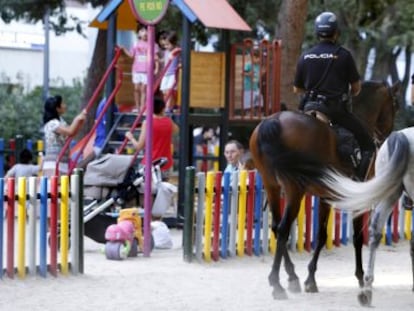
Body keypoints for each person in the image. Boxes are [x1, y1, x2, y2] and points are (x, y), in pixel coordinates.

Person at [293, 11, 375, 180]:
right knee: (368, 144)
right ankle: (358, 182)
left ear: (317, 32)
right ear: (336, 32)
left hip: (309, 108)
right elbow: (356, 88)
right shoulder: (343, 55)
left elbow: (297, 89)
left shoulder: (305, 56)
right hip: (334, 110)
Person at [125, 97, 179, 180]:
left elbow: (139, 146)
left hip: (150, 163)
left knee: (147, 191)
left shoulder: (147, 123)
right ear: (163, 108)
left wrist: (131, 138)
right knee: (162, 191)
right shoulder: (168, 122)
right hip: (166, 164)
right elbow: (176, 130)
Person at [42, 95, 87, 177]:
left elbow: (72, 133)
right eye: (62, 104)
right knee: (55, 187)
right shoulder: (53, 124)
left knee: (61, 186)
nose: (65, 106)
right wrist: (77, 119)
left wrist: (80, 122)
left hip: (62, 161)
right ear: (57, 108)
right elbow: (70, 131)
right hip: (54, 162)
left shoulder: (60, 122)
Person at [122, 26, 160, 112]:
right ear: (139, 33)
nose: (145, 33)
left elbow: (156, 57)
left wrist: (156, 68)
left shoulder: (153, 44)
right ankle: (137, 106)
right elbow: (132, 55)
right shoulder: (136, 43)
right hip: (136, 69)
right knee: (136, 88)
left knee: (144, 89)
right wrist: (124, 50)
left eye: (146, 31)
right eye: (142, 31)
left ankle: (143, 107)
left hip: (146, 70)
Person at [160, 31, 180, 112]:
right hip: (165, 74)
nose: (166, 46)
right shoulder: (166, 52)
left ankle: (169, 107)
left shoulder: (177, 50)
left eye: (168, 44)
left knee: (170, 90)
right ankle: (167, 106)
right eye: (164, 45)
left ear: (174, 42)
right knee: (164, 91)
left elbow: (180, 60)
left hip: (172, 74)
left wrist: (179, 65)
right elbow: (165, 60)